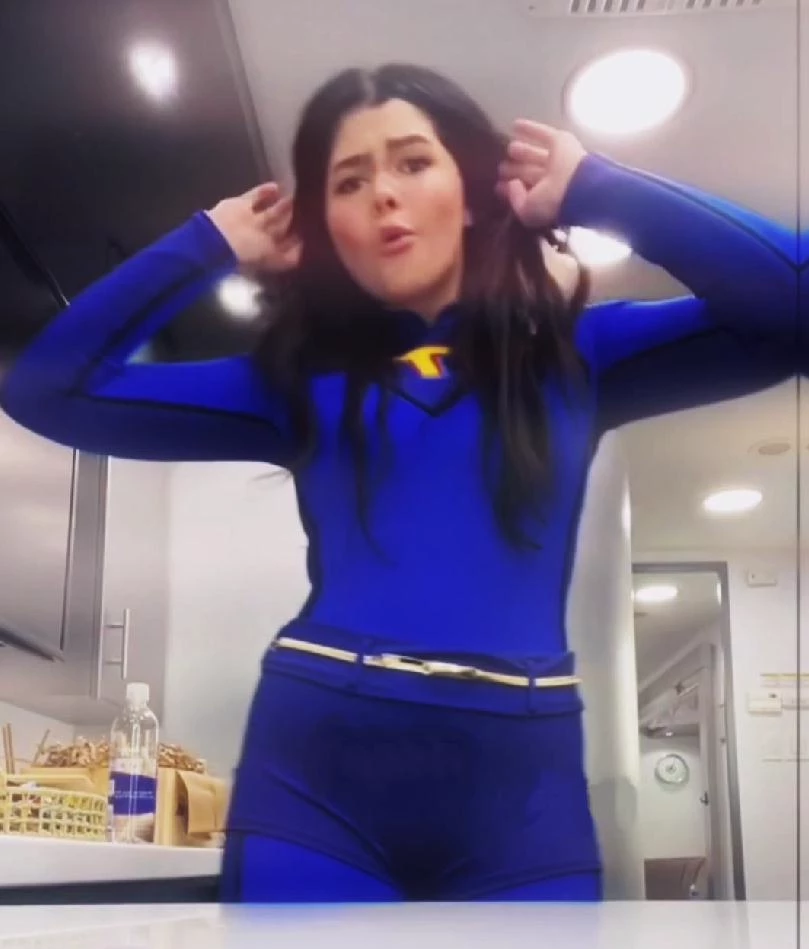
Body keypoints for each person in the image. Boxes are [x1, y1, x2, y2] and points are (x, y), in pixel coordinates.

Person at [0, 63, 794, 903]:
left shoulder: (577, 355)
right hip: (318, 777)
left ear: (470, 194)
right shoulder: (292, 383)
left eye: (413, 161)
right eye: (349, 180)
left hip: (524, 788)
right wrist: (205, 245)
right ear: (330, 228)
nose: (382, 192)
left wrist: (602, 190)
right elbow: (45, 389)